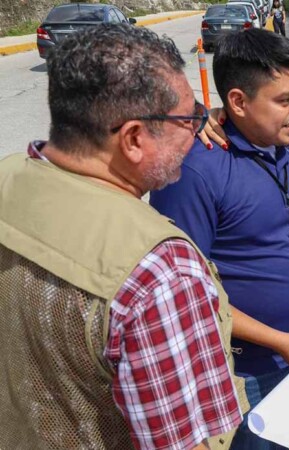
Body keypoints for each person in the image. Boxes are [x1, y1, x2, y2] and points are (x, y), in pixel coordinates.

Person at [0, 25, 243, 449]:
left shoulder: (6, 178)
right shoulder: (161, 271)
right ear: (133, 138)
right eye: (190, 119)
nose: (200, 131)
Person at [150, 30, 289, 450]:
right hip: (244, 371)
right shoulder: (194, 174)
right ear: (238, 102)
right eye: (284, 100)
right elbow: (186, 294)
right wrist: (279, 343)